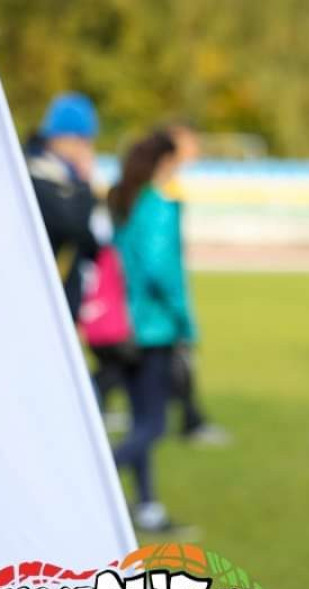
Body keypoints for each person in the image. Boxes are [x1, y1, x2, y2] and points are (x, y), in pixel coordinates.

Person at [107, 131, 197, 535]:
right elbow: (163, 270)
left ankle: (146, 506)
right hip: (153, 327)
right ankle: (101, 476)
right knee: (154, 424)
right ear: (165, 162)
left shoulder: (125, 201)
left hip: (121, 326)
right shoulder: (158, 205)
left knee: (140, 419)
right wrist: (184, 321)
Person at [163, 121, 231, 446]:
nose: (195, 151)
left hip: (162, 296)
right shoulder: (160, 191)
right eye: (190, 143)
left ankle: (191, 420)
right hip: (160, 301)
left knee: (163, 363)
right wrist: (177, 303)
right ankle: (191, 423)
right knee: (174, 360)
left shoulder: (167, 186)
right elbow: (157, 257)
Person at [26, 92, 100, 321]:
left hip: (62, 298)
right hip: (40, 300)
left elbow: (88, 243)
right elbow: (72, 226)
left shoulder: (62, 177)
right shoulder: (35, 175)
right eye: (82, 140)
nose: (86, 148)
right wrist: (84, 183)